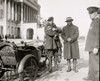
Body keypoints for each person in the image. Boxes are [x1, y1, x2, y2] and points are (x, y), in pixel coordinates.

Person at [83, 7, 99, 81]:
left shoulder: (97, 21)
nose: (90, 15)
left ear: (96, 13)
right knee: (91, 64)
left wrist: (96, 46)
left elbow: (98, 35)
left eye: (91, 13)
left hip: (94, 47)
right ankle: (91, 77)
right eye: (89, 13)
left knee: (96, 64)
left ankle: (97, 78)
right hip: (91, 47)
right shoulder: (93, 21)